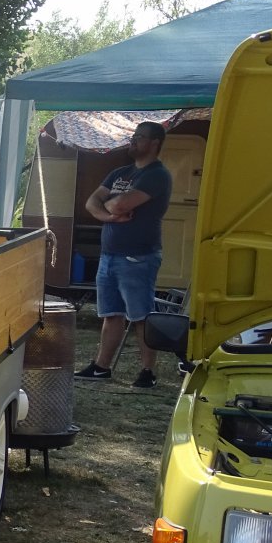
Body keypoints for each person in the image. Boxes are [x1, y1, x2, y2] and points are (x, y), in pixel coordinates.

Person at [74, 119, 174, 389]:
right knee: (111, 314)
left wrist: (108, 208)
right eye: (133, 136)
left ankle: (147, 372)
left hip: (138, 256)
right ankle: (101, 368)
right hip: (109, 255)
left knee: (141, 316)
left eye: (139, 137)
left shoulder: (156, 175)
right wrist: (110, 213)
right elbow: (91, 203)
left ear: (155, 143)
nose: (133, 141)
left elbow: (122, 203)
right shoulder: (120, 173)